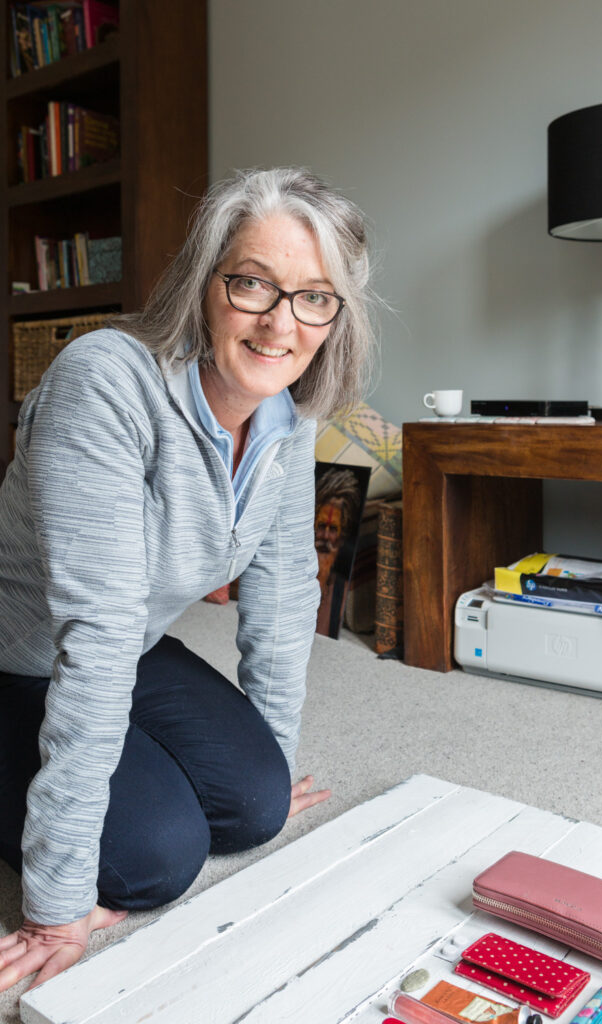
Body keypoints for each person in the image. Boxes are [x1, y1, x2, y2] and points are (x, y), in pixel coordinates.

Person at [0, 167, 376, 994]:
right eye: (253, 284)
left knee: (248, 810)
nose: (280, 323)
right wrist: (57, 898)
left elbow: (281, 600)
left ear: (334, 317)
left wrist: (268, 784)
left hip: (130, 645)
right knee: (154, 861)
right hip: (20, 656)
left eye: (314, 297)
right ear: (205, 281)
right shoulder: (105, 381)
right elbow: (92, 637)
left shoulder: (287, 415)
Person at [314, 467, 363, 636]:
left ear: (342, 536)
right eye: (321, 526)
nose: (325, 537)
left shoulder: (340, 592)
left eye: (333, 529)